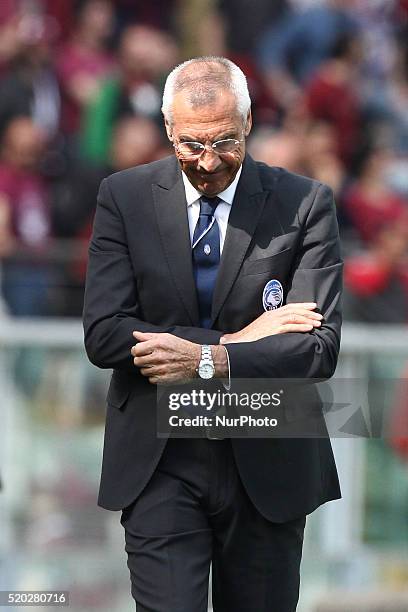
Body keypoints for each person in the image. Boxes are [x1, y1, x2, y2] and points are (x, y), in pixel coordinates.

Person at [83, 56, 343, 611]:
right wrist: (237, 340)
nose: (207, 162)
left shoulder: (304, 203)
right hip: (161, 455)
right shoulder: (123, 198)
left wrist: (207, 360)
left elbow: (317, 349)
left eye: (225, 142)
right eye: (191, 144)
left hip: (267, 452)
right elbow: (105, 333)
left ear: (248, 123)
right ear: (169, 131)